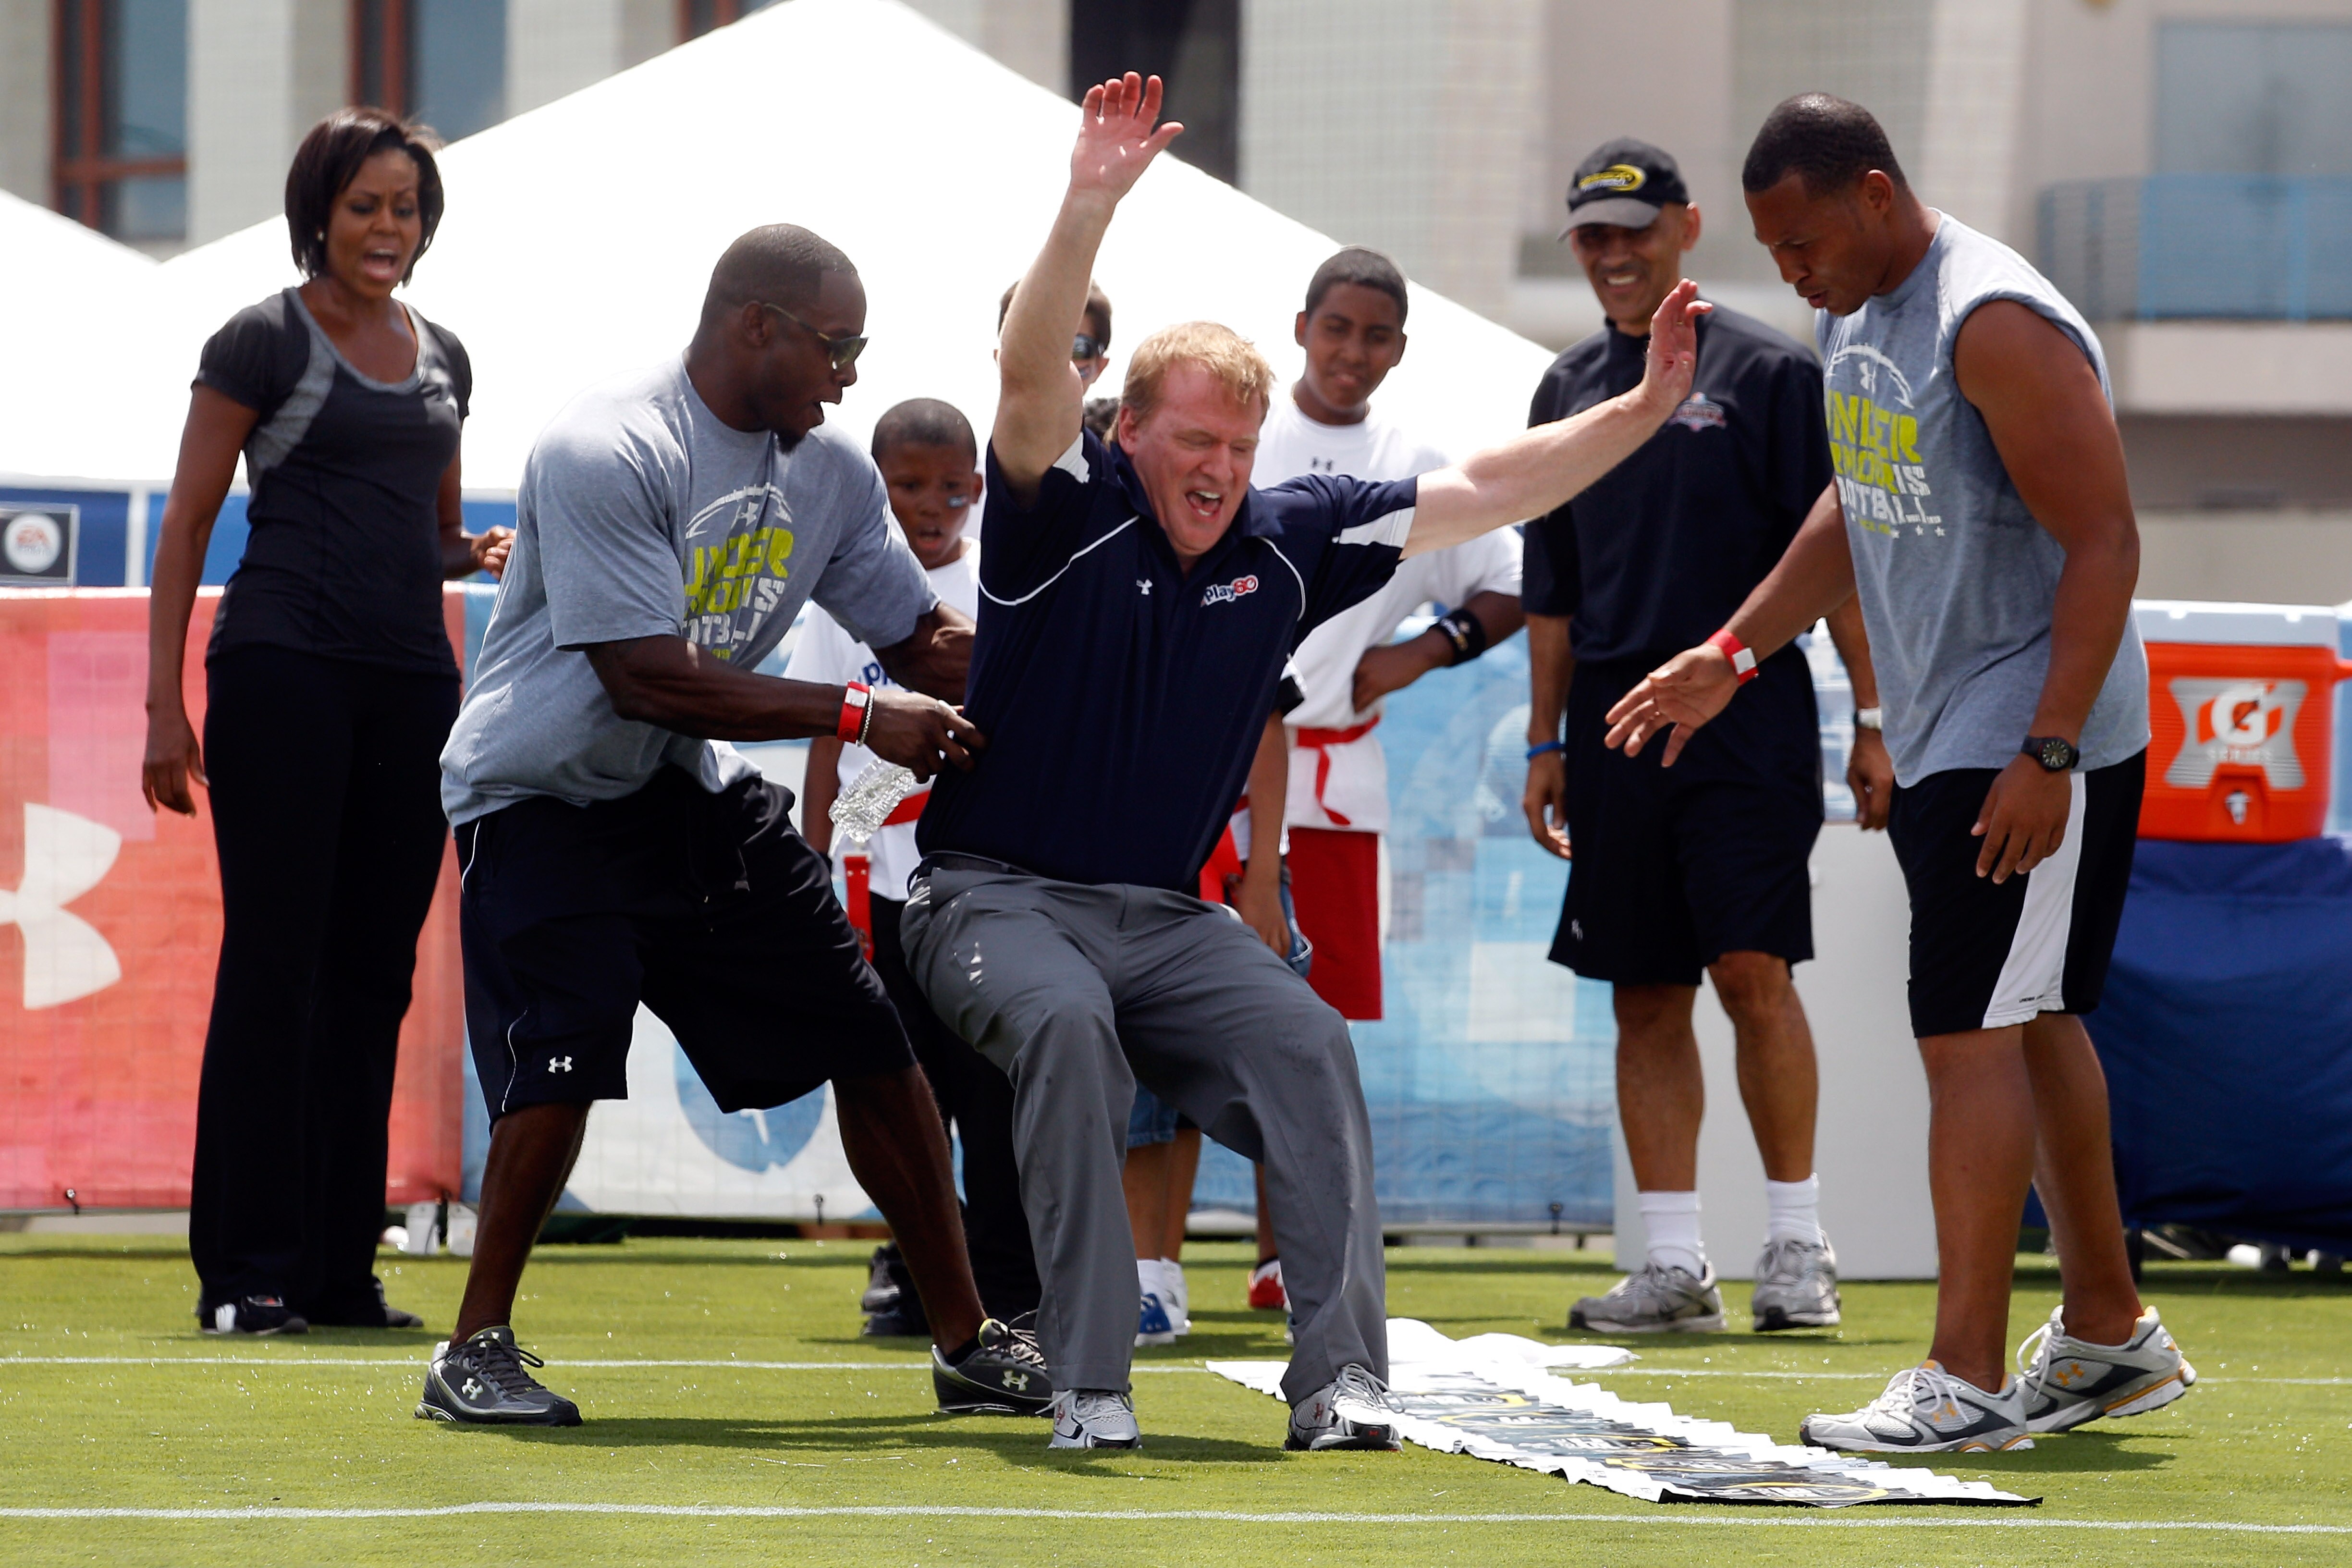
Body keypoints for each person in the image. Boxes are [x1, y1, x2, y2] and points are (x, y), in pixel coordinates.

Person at [899, 74, 1706, 1451]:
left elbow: (1492, 491)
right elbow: (1031, 369)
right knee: (1070, 1036)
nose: (1217, 468)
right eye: (1191, 439)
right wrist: (1090, 200)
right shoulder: (1058, 513)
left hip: (1162, 916)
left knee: (1311, 1043)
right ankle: (1090, 1383)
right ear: (1129, 433)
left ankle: (1340, 1382)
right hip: (990, 899)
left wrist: (1634, 413)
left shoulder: (1291, 534)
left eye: (1237, 444)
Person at [1605, 94, 2194, 1452]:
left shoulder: (1991, 319)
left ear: (1876, 195)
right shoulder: (1854, 311)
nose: (1792, 272)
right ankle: (2107, 1331)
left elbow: (2106, 541)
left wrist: (2048, 751)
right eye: (1775, 251)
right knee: (2031, 1021)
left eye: (1803, 240)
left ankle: (1965, 1377)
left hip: (2035, 735)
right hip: (1951, 729)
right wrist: (1734, 653)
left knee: (1968, 1033)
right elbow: (1855, 502)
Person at [420, 224, 1051, 1427]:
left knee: (870, 1037)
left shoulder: (831, 472)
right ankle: (473, 1350)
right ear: (755, 324)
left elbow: (922, 644)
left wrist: (1077, 653)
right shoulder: (607, 444)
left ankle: (965, 1337)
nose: (852, 377)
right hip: (539, 792)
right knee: (571, 1039)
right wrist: (864, 713)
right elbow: (645, 679)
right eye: (838, 347)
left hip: (680, 788)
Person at [144, 109, 513, 1337]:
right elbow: (190, 527)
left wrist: (482, 552)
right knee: (275, 969)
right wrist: (164, 706)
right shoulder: (259, 339)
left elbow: (435, 533)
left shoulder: (449, 353)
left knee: (372, 979)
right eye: (365, 206)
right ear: (320, 211)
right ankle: (246, 1273)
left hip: (411, 685)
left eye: (406, 208)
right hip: (280, 673)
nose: (388, 229)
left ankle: (338, 1273)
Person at [1517, 137, 1888, 1338]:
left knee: (1752, 974)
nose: (1615, 255)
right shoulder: (1566, 388)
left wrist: (1873, 720)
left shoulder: (1775, 373)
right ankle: (1674, 1269)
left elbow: (1836, 566)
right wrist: (1542, 741)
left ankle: (1797, 1248)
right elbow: (1552, 591)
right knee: (1642, 992)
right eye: (1593, 236)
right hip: (1614, 731)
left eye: (1634, 229)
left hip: (1747, 717)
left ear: (1685, 226)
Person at [1246, 245, 1525, 1313]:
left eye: (1375, 335)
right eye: (1336, 328)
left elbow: (1505, 584)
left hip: (1328, 780)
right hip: (1208, 771)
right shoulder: (1248, 433)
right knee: (1169, 1008)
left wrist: (1416, 653)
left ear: (1399, 349)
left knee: (1308, 1024)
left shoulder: (1414, 459)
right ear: (1302, 326)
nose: (1351, 352)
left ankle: (1288, 1249)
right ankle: (1146, 1261)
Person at [786, 398, 1041, 1336]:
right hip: (871, 887)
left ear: (977, 492)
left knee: (990, 1087)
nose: (929, 506)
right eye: (906, 487)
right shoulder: (836, 595)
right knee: (903, 1088)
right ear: (873, 492)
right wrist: (819, 855)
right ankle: (913, 1267)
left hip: (972, 883)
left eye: (948, 488)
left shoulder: (999, 594)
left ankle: (1009, 1281)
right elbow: (825, 739)